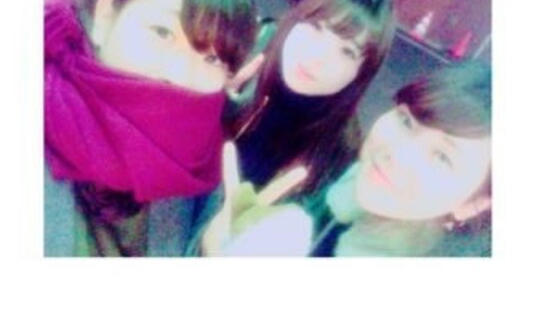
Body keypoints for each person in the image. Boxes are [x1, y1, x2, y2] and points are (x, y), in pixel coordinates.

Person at [44, 0, 257, 256]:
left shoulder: (202, 166)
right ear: (105, 18)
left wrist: (209, 252)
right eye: (162, 32)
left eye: (212, 58)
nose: (179, 75)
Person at [208, 60, 492, 257]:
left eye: (443, 157)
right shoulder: (348, 188)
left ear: (473, 204)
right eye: (406, 121)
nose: (398, 154)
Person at [225, 0, 396, 207]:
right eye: (316, 28)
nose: (317, 57)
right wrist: (208, 107)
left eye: (347, 52)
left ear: (359, 76)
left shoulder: (337, 154)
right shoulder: (239, 54)